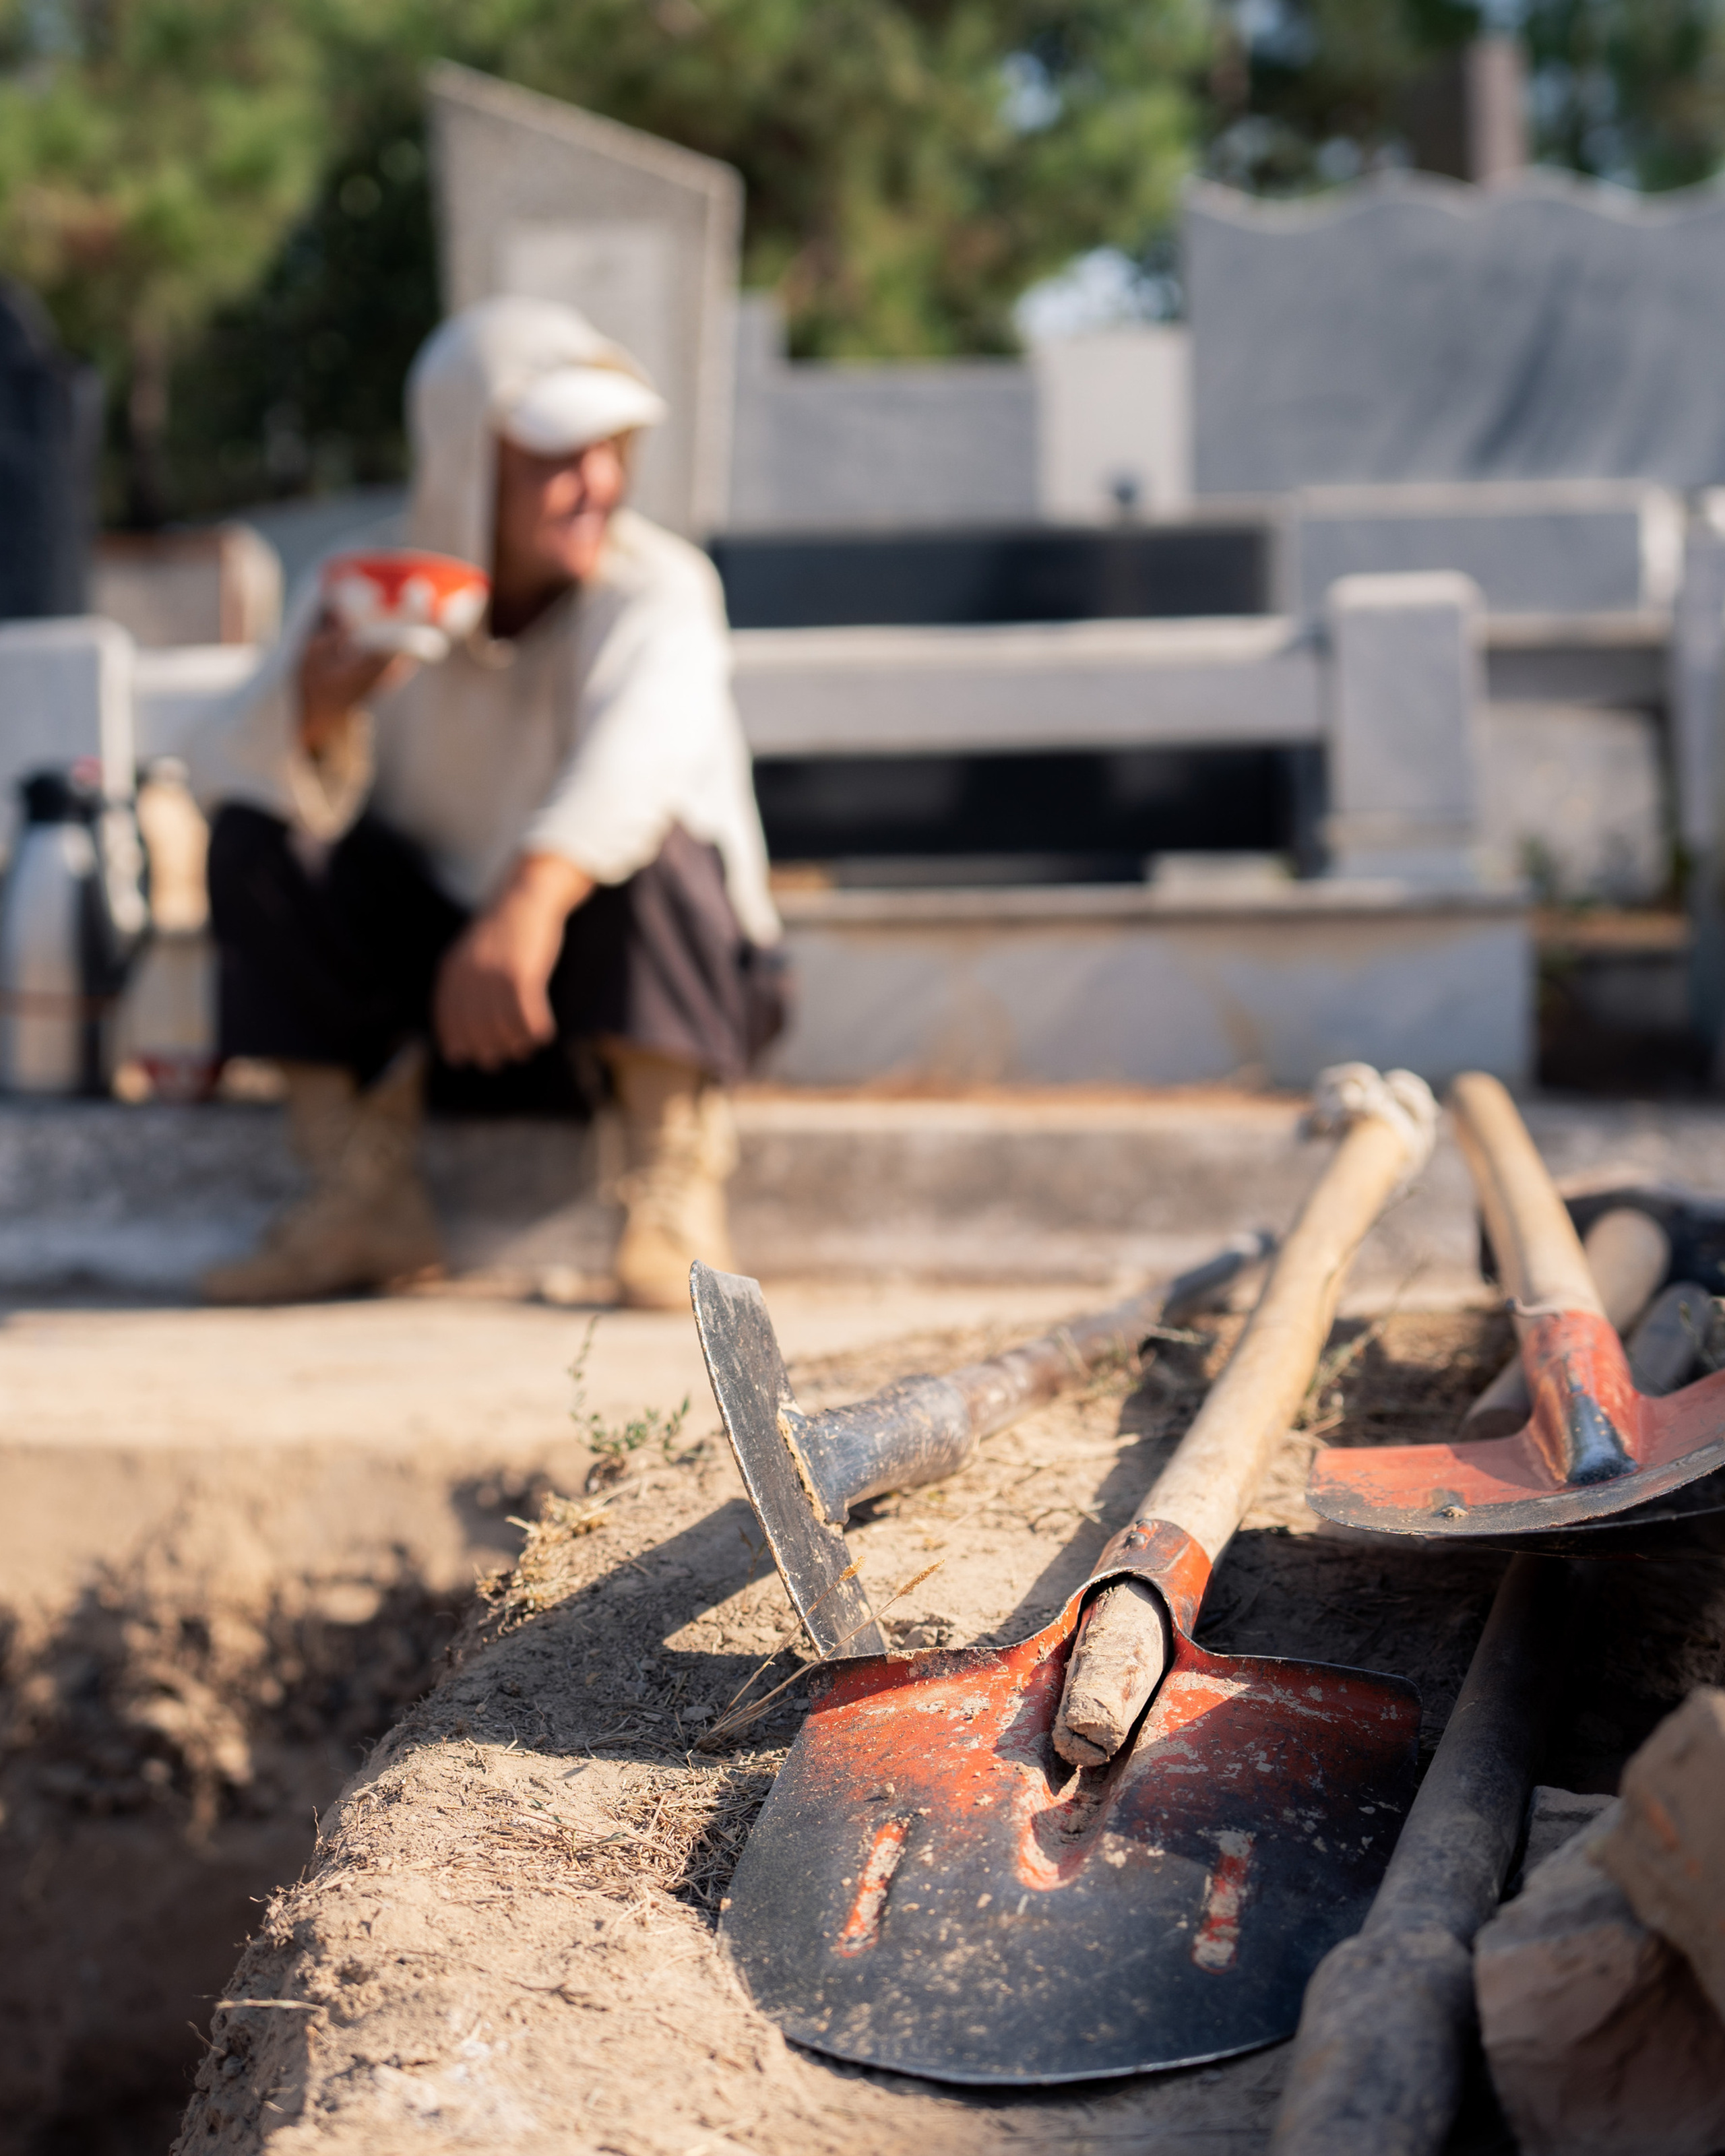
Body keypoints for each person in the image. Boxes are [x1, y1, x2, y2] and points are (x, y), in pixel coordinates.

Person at [187, 297, 784, 1310]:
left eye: (607, 451)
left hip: (630, 999)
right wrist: (314, 715)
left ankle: (674, 1185)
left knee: (661, 839)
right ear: (466, 460)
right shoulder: (367, 586)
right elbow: (220, 766)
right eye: (554, 457)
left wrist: (527, 904)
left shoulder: (660, 588)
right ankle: (360, 1192)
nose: (596, 484)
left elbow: (635, 765)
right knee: (255, 835)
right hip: (452, 1013)